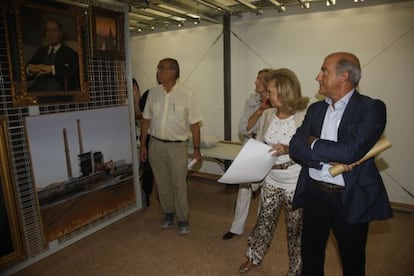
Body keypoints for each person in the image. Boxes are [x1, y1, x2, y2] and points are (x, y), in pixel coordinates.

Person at [289, 52, 393, 276]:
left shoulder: (371, 108)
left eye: (324, 71)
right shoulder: (315, 109)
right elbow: (295, 146)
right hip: (315, 194)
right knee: (311, 255)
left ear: (344, 76)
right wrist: (329, 156)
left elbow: (350, 152)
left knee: (352, 259)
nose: (318, 76)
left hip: (350, 196)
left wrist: (313, 142)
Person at [239, 68, 309, 275]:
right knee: (263, 223)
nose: (266, 96)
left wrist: (288, 149)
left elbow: (309, 149)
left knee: (296, 230)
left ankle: (295, 270)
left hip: (295, 181)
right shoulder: (268, 115)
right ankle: (253, 257)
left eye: (270, 91)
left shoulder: (304, 116)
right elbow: (257, 141)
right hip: (271, 178)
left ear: (284, 91)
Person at [140, 58, 202, 234]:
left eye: (162, 68)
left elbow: (195, 124)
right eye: (158, 68)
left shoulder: (186, 93)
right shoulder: (153, 92)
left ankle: (183, 218)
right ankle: (168, 212)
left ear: (174, 71)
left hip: (177, 147)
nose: (158, 72)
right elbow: (146, 120)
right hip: (155, 145)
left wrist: (197, 149)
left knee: (179, 184)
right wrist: (143, 145)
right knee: (162, 183)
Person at [222, 69, 270, 240]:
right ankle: (236, 227)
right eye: (256, 78)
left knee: (266, 192)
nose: (256, 82)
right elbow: (243, 129)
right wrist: (259, 112)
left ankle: (260, 230)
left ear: (269, 82)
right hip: (250, 146)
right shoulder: (251, 100)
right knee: (244, 189)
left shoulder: (278, 102)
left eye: (259, 79)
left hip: (268, 151)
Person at [26, 18, 80, 92]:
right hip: (37, 90)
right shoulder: (41, 51)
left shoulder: (70, 53)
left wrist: (52, 69)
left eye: (54, 31)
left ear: (61, 33)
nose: (50, 34)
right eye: (47, 31)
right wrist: (29, 69)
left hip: (57, 93)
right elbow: (25, 71)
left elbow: (74, 73)